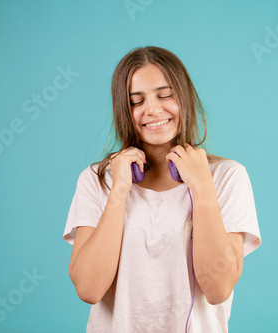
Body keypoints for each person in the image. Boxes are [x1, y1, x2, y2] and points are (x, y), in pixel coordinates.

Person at [63, 46, 261, 332]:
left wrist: (203, 190)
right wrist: (119, 190)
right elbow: (89, 289)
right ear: (124, 110)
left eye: (165, 94)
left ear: (184, 96)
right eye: (136, 101)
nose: (153, 109)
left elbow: (217, 289)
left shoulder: (227, 176)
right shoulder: (97, 179)